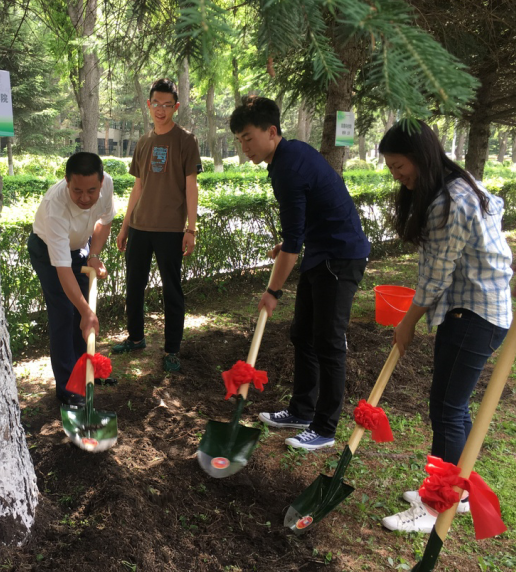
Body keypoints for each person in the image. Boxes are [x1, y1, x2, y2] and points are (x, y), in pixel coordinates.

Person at [377, 121, 512, 533]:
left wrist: (407, 323)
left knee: (447, 409)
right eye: (391, 168)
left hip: (475, 314)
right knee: (452, 405)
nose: (397, 175)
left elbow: (435, 278)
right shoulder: (460, 184)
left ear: (420, 157)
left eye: (400, 166)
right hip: (480, 312)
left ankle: (435, 505)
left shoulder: (448, 203)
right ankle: (459, 491)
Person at [229, 96, 370, 451]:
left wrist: (272, 292)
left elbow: (294, 245)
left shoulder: (288, 168)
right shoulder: (288, 157)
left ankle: (324, 428)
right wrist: (292, 241)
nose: (244, 148)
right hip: (322, 251)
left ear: (271, 131)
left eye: (248, 138)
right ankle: (301, 411)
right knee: (303, 334)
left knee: (328, 342)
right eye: (240, 141)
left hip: (340, 257)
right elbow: (307, 218)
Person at [113, 78, 202, 373]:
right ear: (149, 105)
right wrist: (125, 226)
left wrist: (191, 229)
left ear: (176, 107)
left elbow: (191, 187)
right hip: (140, 226)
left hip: (170, 229)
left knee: (171, 290)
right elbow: (138, 187)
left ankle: (172, 349)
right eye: (156, 104)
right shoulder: (144, 142)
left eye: (167, 105)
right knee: (134, 286)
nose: (160, 110)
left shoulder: (186, 141)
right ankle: (136, 338)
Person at [28, 152, 116, 407]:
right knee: (65, 313)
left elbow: (105, 221)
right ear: (67, 181)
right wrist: (87, 312)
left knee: (81, 312)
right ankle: (68, 386)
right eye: (77, 191)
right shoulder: (54, 206)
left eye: (92, 190)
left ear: (101, 182)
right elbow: (63, 269)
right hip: (48, 253)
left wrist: (94, 255)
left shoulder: (107, 184)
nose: (85, 198)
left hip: (80, 248)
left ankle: (85, 374)